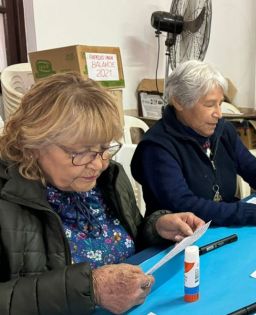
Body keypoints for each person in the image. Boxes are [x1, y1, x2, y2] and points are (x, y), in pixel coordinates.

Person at [0, 73, 205, 314]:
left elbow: (127, 239)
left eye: (104, 148)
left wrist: (156, 227)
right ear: (32, 144)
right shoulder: (7, 199)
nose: (98, 164)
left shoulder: (109, 177)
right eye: (81, 152)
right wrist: (91, 288)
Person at [131, 60, 256, 232]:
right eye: (210, 105)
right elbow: (185, 205)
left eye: (220, 103)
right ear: (179, 101)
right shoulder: (156, 148)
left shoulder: (223, 130)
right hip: (180, 241)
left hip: (223, 227)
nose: (218, 113)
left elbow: (254, 168)